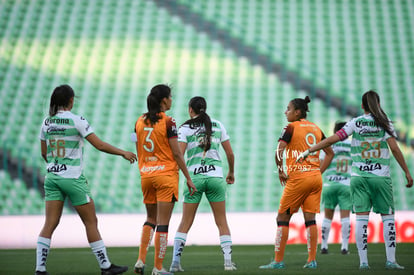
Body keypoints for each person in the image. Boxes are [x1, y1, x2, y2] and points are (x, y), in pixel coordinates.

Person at [297, 90, 413, 270]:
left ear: (362, 106)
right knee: (388, 218)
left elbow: (331, 140)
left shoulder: (356, 123)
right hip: (381, 177)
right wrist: (406, 171)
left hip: (358, 178)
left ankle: (363, 262)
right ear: (378, 104)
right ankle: (391, 261)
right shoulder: (384, 122)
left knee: (361, 220)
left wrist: (309, 151)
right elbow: (396, 150)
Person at [36, 84, 137, 275]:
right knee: (91, 222)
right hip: (73, 178)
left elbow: (44, 153)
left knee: (49, 224)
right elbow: (99, 145)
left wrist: (57, 166)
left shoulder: (46, 123)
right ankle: (105, 266)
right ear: (71, 101)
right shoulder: (77, 121)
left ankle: (40, 269)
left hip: (52, 177)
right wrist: (123, 152)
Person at [259, 96, 334, 270]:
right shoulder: (316, 128)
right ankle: (312, 260)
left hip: (299, 178)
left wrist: (280, 170)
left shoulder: (291, 127)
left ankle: (278, 261)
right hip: (315, 178)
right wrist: (318, 171)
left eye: (288, 109)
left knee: (282, 217)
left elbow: (279, 150)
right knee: (310, 219)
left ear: (297, 112)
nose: (285, 112)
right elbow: (330, 153)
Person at [133, 84, 197, 275]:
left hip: (146, 175)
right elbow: (177, 154)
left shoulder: (139, 121)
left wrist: (145, 168)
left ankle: (140, 260)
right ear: (163, 101)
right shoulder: (169, 122)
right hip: (166, 176)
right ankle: (158, 268)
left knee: (150, 219)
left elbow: (138, 148)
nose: (172, 100)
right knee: (162, 223)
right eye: (170, 97)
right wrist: (188, 178)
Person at [169, 96, 236, 272]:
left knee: (185, 222)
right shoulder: (217, 125)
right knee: (222, 221)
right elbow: (230, 154)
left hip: (194, 180)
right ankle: (228, 262)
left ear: (190, 109)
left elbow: (179, 155)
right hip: (216, 178)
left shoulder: (184, 128)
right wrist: (231, 172)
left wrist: (185, 177)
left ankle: (175, 263)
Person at [319, 121, 352, 255]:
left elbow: (321, 164)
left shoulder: (328, 144)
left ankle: (324, 246)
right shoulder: (352, 145)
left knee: (327, 217)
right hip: (346, 184)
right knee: (345, 217)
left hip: (329, 184)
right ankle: (344, 247)